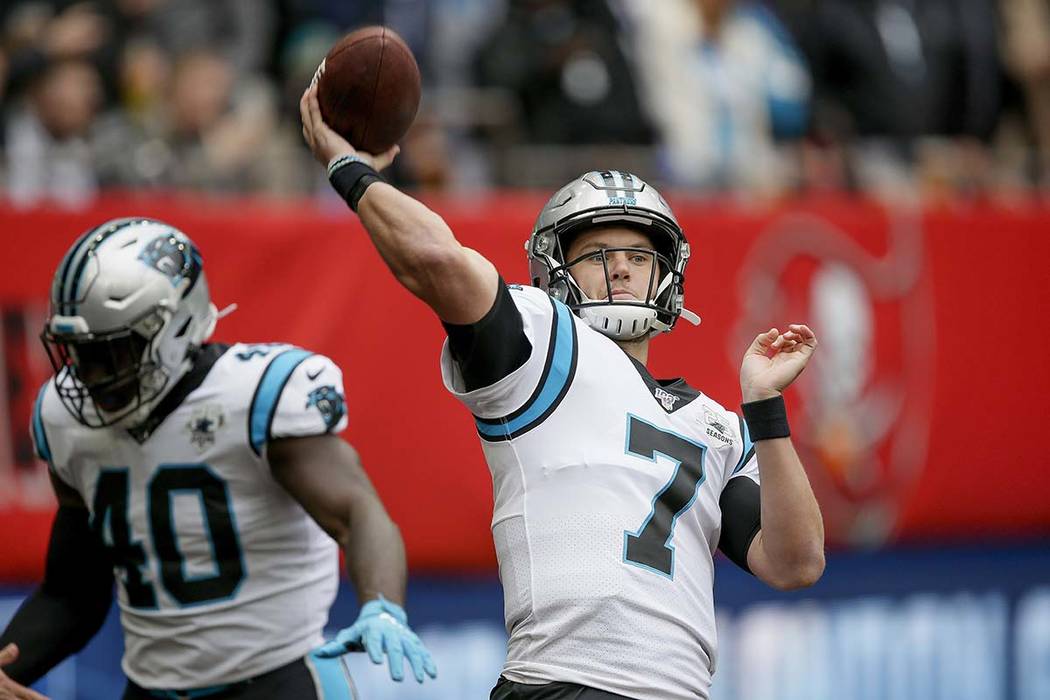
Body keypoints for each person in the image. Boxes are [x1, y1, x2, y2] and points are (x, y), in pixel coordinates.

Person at [300, 83, 825, 699]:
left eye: (639, 254)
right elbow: (435, 260)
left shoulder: (718, 425)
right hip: (563, 682)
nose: (624, 267)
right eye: (598, 253)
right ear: (555, 269)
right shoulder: (542, 343)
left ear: (668, 273)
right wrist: (350, 171)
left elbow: (796, 562)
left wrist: (764, 411)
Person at [0, 218, 437, 699]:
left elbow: (357, 513)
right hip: (151, 691)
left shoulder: (253, 396)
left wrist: (382, 606)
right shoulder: (65, 419)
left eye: (113, 352)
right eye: (81, 355)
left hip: (279, 682)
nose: (91, 376)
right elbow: (72, 593)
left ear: (174, 326)